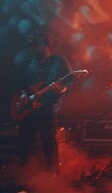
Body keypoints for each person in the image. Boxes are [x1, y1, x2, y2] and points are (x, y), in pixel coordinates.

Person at [14, 24, 73, 176]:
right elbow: (21, 84)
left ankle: (52, 172)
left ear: (46, 43)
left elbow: (70, 78)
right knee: (26, 139)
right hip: (29, 107)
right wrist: (23, 95)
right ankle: (23, 173)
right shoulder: (27, 63)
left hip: (49, 106)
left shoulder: (59, 61)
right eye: (30, 44)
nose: (32, 48)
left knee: (48, 138)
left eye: (36, 44)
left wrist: (63, 89)